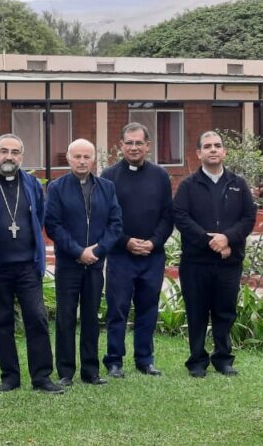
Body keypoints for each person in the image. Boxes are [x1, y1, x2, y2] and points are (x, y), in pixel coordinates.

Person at [0, 134, 64, 394]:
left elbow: (39, 216)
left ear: (21, 157)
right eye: (4, 151)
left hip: (27, 265)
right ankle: (10, 378)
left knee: (37, 318)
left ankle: (42, 377)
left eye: (15, 152)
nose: (9, 156)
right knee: (1, 322)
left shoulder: (31, 183)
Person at [172, 130, 257, 378]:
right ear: (198, 153)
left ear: (224, 152)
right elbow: (180, 217)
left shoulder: (238, 184)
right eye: (207, 146)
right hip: (196, 263)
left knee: (225, 311)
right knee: (196, 312)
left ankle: (223, 359)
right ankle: (197, 361)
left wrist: (228, 238)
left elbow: (248, 217)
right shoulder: (188, 185)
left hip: (228, 262)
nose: (213, 150)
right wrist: (211, 241)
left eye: (217, 145)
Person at [44, 138, 122, 387]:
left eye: (86, 157)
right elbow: (53, 225)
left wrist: (97, 250)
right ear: (68, 158)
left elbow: (115, 224)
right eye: (77, 156)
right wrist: (78, 252)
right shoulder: (57, 187)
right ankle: (65, 372)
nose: (81, 161)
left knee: (91, 317)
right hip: (69, 264)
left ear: (93, 159)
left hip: (95, 264)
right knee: (66, 318)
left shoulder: (107, 187)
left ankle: (91, 371)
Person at [100, 123, 174, 379]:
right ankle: (114, 360)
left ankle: (145, 359)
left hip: (152, 256)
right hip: (121, 256)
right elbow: (105, 217)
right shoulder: (109, 176)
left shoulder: (160, 176)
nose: (134, 147)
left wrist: (153, 242)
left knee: (148, 308)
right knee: (117, 309)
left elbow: (168, 215)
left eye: (139, 143)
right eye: (129, 143)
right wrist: (126, 241)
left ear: (148, 146)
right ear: (121, 145)